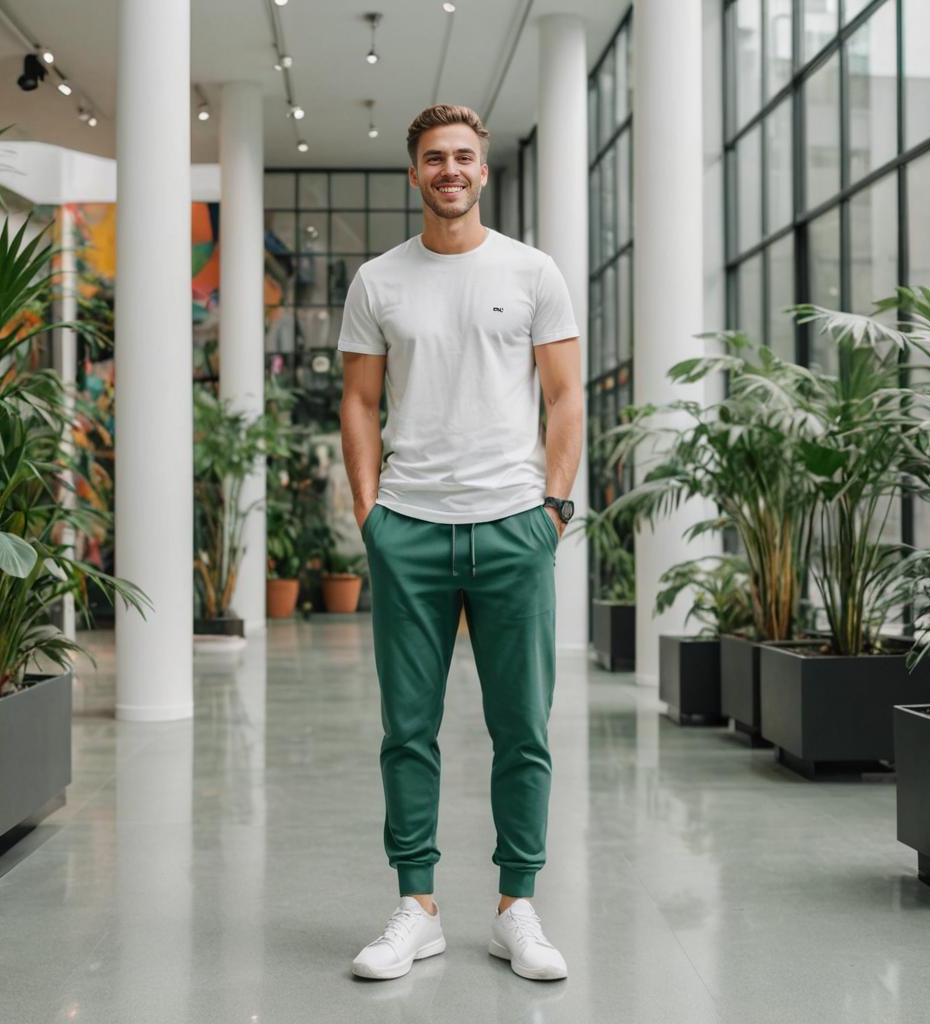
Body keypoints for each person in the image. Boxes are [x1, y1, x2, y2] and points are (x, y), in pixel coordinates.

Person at [338, 104, 582, 983]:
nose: (450, 170)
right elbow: (360, 403)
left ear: (483, 171)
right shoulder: (378, 282)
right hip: (410, 529)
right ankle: (419, 906)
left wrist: (552, 510)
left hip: (514, 527)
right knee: (409, 729)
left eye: (464, 158)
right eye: (434, 158)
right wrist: (373, 518)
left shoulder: (532, 271)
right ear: (415, 174)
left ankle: (518, 906)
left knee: (524, 728)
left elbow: (565, 397)